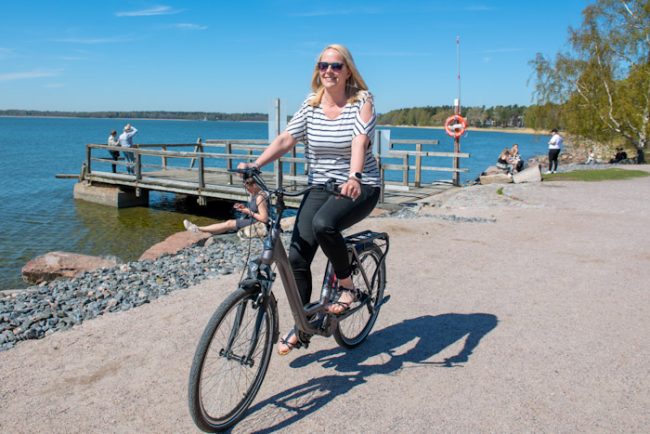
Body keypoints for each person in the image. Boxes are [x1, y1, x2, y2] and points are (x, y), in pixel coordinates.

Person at [237, 43, 381, 355]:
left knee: (324, 224)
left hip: (361, 185)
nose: (329, 71)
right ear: (317, 70)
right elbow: (286, 138)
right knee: (298, 256)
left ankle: (347, 288)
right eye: (323, 65)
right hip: (320, 186)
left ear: (348, 71)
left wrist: (354, 176)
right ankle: (304, 326)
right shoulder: (311, 104)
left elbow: (360, 141)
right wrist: (255, 165)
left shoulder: (362, 101)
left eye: (336, 66)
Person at [183, 177, 268, 234]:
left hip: (257, 222)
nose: (247, 190)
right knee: (228, 223)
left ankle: (198, 229)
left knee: (229, 223)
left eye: (248, 188)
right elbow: (255, 209)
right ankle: (200, 229)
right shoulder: (254, 193)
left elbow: (264, 219)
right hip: (252, 219)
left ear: (254, 185)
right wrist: (243, 207)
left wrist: (248, 211)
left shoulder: (260, 197)